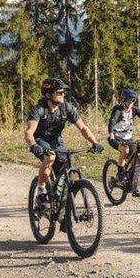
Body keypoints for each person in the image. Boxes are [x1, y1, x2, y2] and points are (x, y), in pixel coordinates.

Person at [25, 78, 104, 210]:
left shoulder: (66, 108)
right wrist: (33, 145)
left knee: (69, 169)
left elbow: (83, 127)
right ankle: (41, 191)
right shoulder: (38, 110)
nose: (62, 95)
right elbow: (29, 132)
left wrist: (94, 142)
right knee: (50, 157)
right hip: (40, 140)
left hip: (57, 140)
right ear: (48, 95)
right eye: (59, 92)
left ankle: (62, 203)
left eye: (63, 92)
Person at [107, 88, 140, 197]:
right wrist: (111, 134)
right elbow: (112, 121)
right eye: (128, 101)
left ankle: (133, 185)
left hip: (128, 138)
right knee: (125, 150)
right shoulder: (117, 110)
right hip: (115, 137)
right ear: (122, 100)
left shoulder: (134, 110)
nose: (130, 103)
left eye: (132, 101)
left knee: (135, 159)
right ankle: (120, 172)